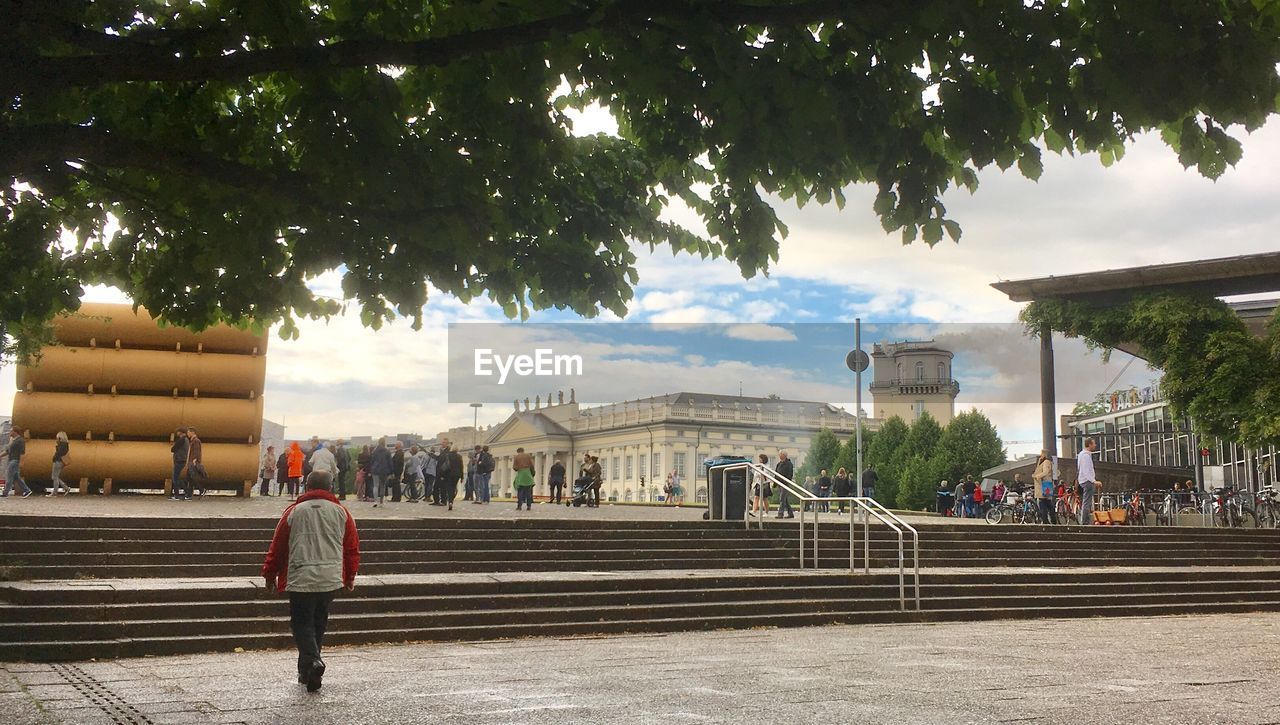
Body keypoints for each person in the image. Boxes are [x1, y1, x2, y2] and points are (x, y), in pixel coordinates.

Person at [261, 470, 360, 693]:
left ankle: (314, 662)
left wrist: (269, 574)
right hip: (330, 577)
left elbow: (278, 547)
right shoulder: (341, 512)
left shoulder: (294, 512)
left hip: (300, 575)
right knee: (318, 624)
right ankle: (306, 673)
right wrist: (350, 576)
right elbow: (352, 548)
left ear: (307, 486)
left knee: (301, 624)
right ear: (330, 487)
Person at [433, 439, 464, 510]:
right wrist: (462, 477)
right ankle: (451, 501)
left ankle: (450, 501)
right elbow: (461, 467)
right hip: (457, 475)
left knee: (449, 488)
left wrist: (441, 474)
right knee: (453, 488)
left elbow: (445, 466)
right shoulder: (459, 456)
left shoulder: (448, 455)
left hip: (449, 474)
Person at [2, 428, 31, 498]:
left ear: (15, 432)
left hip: (15, 461)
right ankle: (27, 490)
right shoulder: (13, 440)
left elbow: (22, 452)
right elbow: (8, 451)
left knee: (9, 476)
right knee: (16, 477)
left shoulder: (20, 441)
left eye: (11, 431)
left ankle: (5, 493)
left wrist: (21, 462)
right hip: (11, 460)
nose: (10, 432)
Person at [1078, 438, 1098, 525]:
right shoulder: (1086, 456)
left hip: (1082, 480)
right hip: (1087, 481)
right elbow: (1086, 470)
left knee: (1085, 501)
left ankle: (1084, 521)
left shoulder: (1081, 455)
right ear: (1089, 445)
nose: (1095, 445)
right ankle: (1085, 522)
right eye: (1093, 443)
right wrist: (1094, 481)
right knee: (1087, 502)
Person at [182, 427, 205, 500]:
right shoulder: (192, 441)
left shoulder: (196, 441)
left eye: (188, 433)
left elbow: (197, 451)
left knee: (192, 477)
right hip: (190, 462)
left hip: (193, 462)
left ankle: (201, 489)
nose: (187, 434)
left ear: (192, 433)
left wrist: (195, 460)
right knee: (189, 479)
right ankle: (189, 495)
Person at [1033, 452, 1056, 524]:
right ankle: (1052, 520)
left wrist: (1037, 476)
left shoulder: (1046, 462)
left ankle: (1046, 520)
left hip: (1043, 485)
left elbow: (1045, 472)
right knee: (1047, 503)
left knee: (1042, 503)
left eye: (1042, 454)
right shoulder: (1045, 462)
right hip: (1044, 485)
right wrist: (1039, 462)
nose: (1040, 455)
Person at [369, 438, 392, 508]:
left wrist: (371, 469)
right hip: (384, 470)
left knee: (375, 485)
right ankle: (381, 502)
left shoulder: (374, 451)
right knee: (383, 486)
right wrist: (391, 471)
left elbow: (372, 461)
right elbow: (390, 462)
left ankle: (375, 501)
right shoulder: (387, 451)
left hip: (375, 470)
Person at [48, 431, 71, 496]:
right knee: (55, 476)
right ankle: (66, 488)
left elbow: (58, 453)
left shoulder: (62, 444)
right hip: (61, 462)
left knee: (54, 477)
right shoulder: (66, 444)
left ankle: (55, 492)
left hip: (58, 461)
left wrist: (54, 458)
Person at [169, 427, 188, 500]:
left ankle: (177, 494)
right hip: (182, 460)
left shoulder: (182, 440)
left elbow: (173, 449)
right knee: (176, 477)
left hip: (179, 460)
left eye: (178, 432)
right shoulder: (186, 440)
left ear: (181, 432)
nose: (177, 433)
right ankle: (186, 492)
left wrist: (174, 446)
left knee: (175, 478)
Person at [775, 451, 795, 519]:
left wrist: (787, 481)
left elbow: (790, 474)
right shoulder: (779, 464)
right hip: (779, 483)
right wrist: (775, 483)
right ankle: (790, 513)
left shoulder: (789, 464)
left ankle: (780, 513)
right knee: (784, 499)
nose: (779, 455)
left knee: (782, 498)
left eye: (780, 454)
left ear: (784, 455)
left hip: (785, 484)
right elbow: (776, 473)